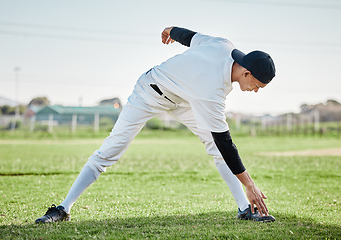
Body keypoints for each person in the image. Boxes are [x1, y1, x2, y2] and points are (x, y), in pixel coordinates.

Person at [35, 26, 276, 223]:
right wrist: (250, 185)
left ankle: (245, 209)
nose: (255, 90)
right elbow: (226, 142)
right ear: (246, 72)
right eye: (257, 85)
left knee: (214, 146)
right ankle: (63, 209)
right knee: (111, 149)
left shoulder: (223, 45)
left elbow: (191, 37)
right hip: (149, 92)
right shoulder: (212, 90)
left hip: (183, 99)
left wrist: (171, 30)